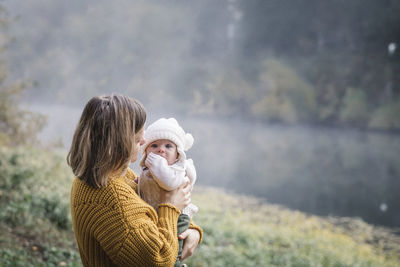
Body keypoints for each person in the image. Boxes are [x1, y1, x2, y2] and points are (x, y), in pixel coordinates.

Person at [67, 95, 202, 267]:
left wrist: (192, 229)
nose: (145, 142)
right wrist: (171, 207)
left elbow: (148, 210)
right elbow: (159, 259)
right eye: (138, 139)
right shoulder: (111, 198)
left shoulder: (117, 175)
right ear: (117, 143)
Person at [138, 118, 199, 267]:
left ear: (178, 154)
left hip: (178, 218)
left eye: (168, 146)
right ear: (145, 149)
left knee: (174, 252)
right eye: (154, 145)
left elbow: (168, 183)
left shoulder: (174, 171)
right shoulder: (150, 170)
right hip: (159, 216)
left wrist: (157, 163)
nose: (161, 149)